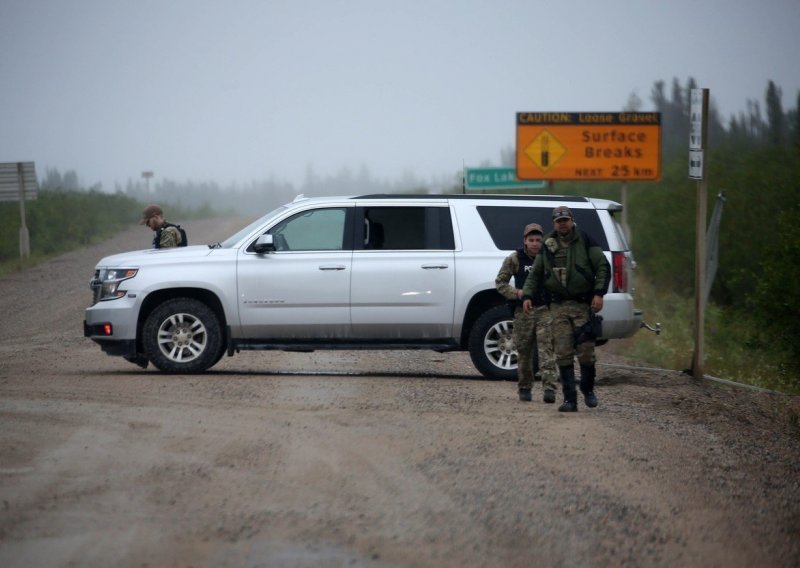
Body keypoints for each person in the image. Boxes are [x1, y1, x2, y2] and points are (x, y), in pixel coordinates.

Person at [522, 206, 610, 412]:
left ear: (572, 221)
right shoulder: (547, 245)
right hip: (558, 307)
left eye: (566, 220)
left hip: (582, 306)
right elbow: (535, 274)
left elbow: (603, 267)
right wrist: (527, 295)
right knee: (562, 352)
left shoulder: (585, 240)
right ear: (554, 223)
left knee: (586, 353)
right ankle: (570, 400)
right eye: (558, 221)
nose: (562, 223)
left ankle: (588, 389)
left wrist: (599, 293)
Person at [495, 223, 558, 403]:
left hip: (545, 309)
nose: (535, 244)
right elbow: (500, 283)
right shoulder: (515, 259)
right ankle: (524, 387)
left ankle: (549, 389)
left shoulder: (549, 258)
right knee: (524, 351)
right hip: (523, 311)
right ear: (525, 241)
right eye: (531, 240)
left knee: (547, 350)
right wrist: (517, 293)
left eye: (538, 240)